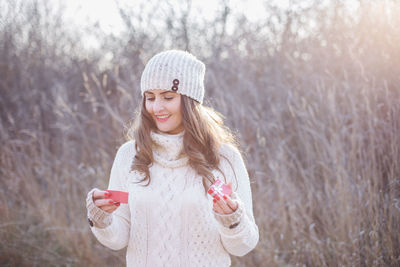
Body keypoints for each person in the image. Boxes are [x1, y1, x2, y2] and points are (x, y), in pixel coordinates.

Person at [86, 50, 259, 266]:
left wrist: (232, 219)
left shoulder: (224, 158)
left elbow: (244, 245)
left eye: (168, 97)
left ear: (189, 101)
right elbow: (119, 238)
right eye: (150, 97)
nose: (156, 107)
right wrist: (101, 220)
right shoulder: (129, 155)